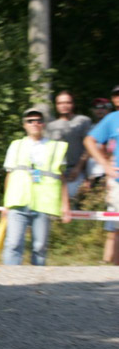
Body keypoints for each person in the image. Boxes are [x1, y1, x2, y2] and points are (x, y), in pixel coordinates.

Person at [2, 108, 71, 265]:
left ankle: (38, 285)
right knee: (13, 244)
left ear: (43, 124)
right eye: (30, 121)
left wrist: (65, 206)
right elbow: (9, 175)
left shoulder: (56, 147)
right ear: (24, 125)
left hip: (43, 203)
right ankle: (8, 283)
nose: (35, 123)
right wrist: (6, 204)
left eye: (38, 120)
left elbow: (61, 178)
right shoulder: (16, 145)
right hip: (18, 200)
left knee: (39, 247)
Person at [84, 86, 119, 265]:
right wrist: (105, 164)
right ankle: (113, 273)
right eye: (116, 95)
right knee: (116, 229)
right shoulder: (111, 119)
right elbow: (89, 141)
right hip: (118, 181)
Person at [45, 90, 92, 200]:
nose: (64, 106)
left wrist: (79, 168)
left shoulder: (83, 121)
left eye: (67, 102)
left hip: (76, 171)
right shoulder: (50, 126)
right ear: (56, 105)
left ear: (73, 104)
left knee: (73, 203)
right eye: (60, 103)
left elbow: (89, 147)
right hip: (56, 172)